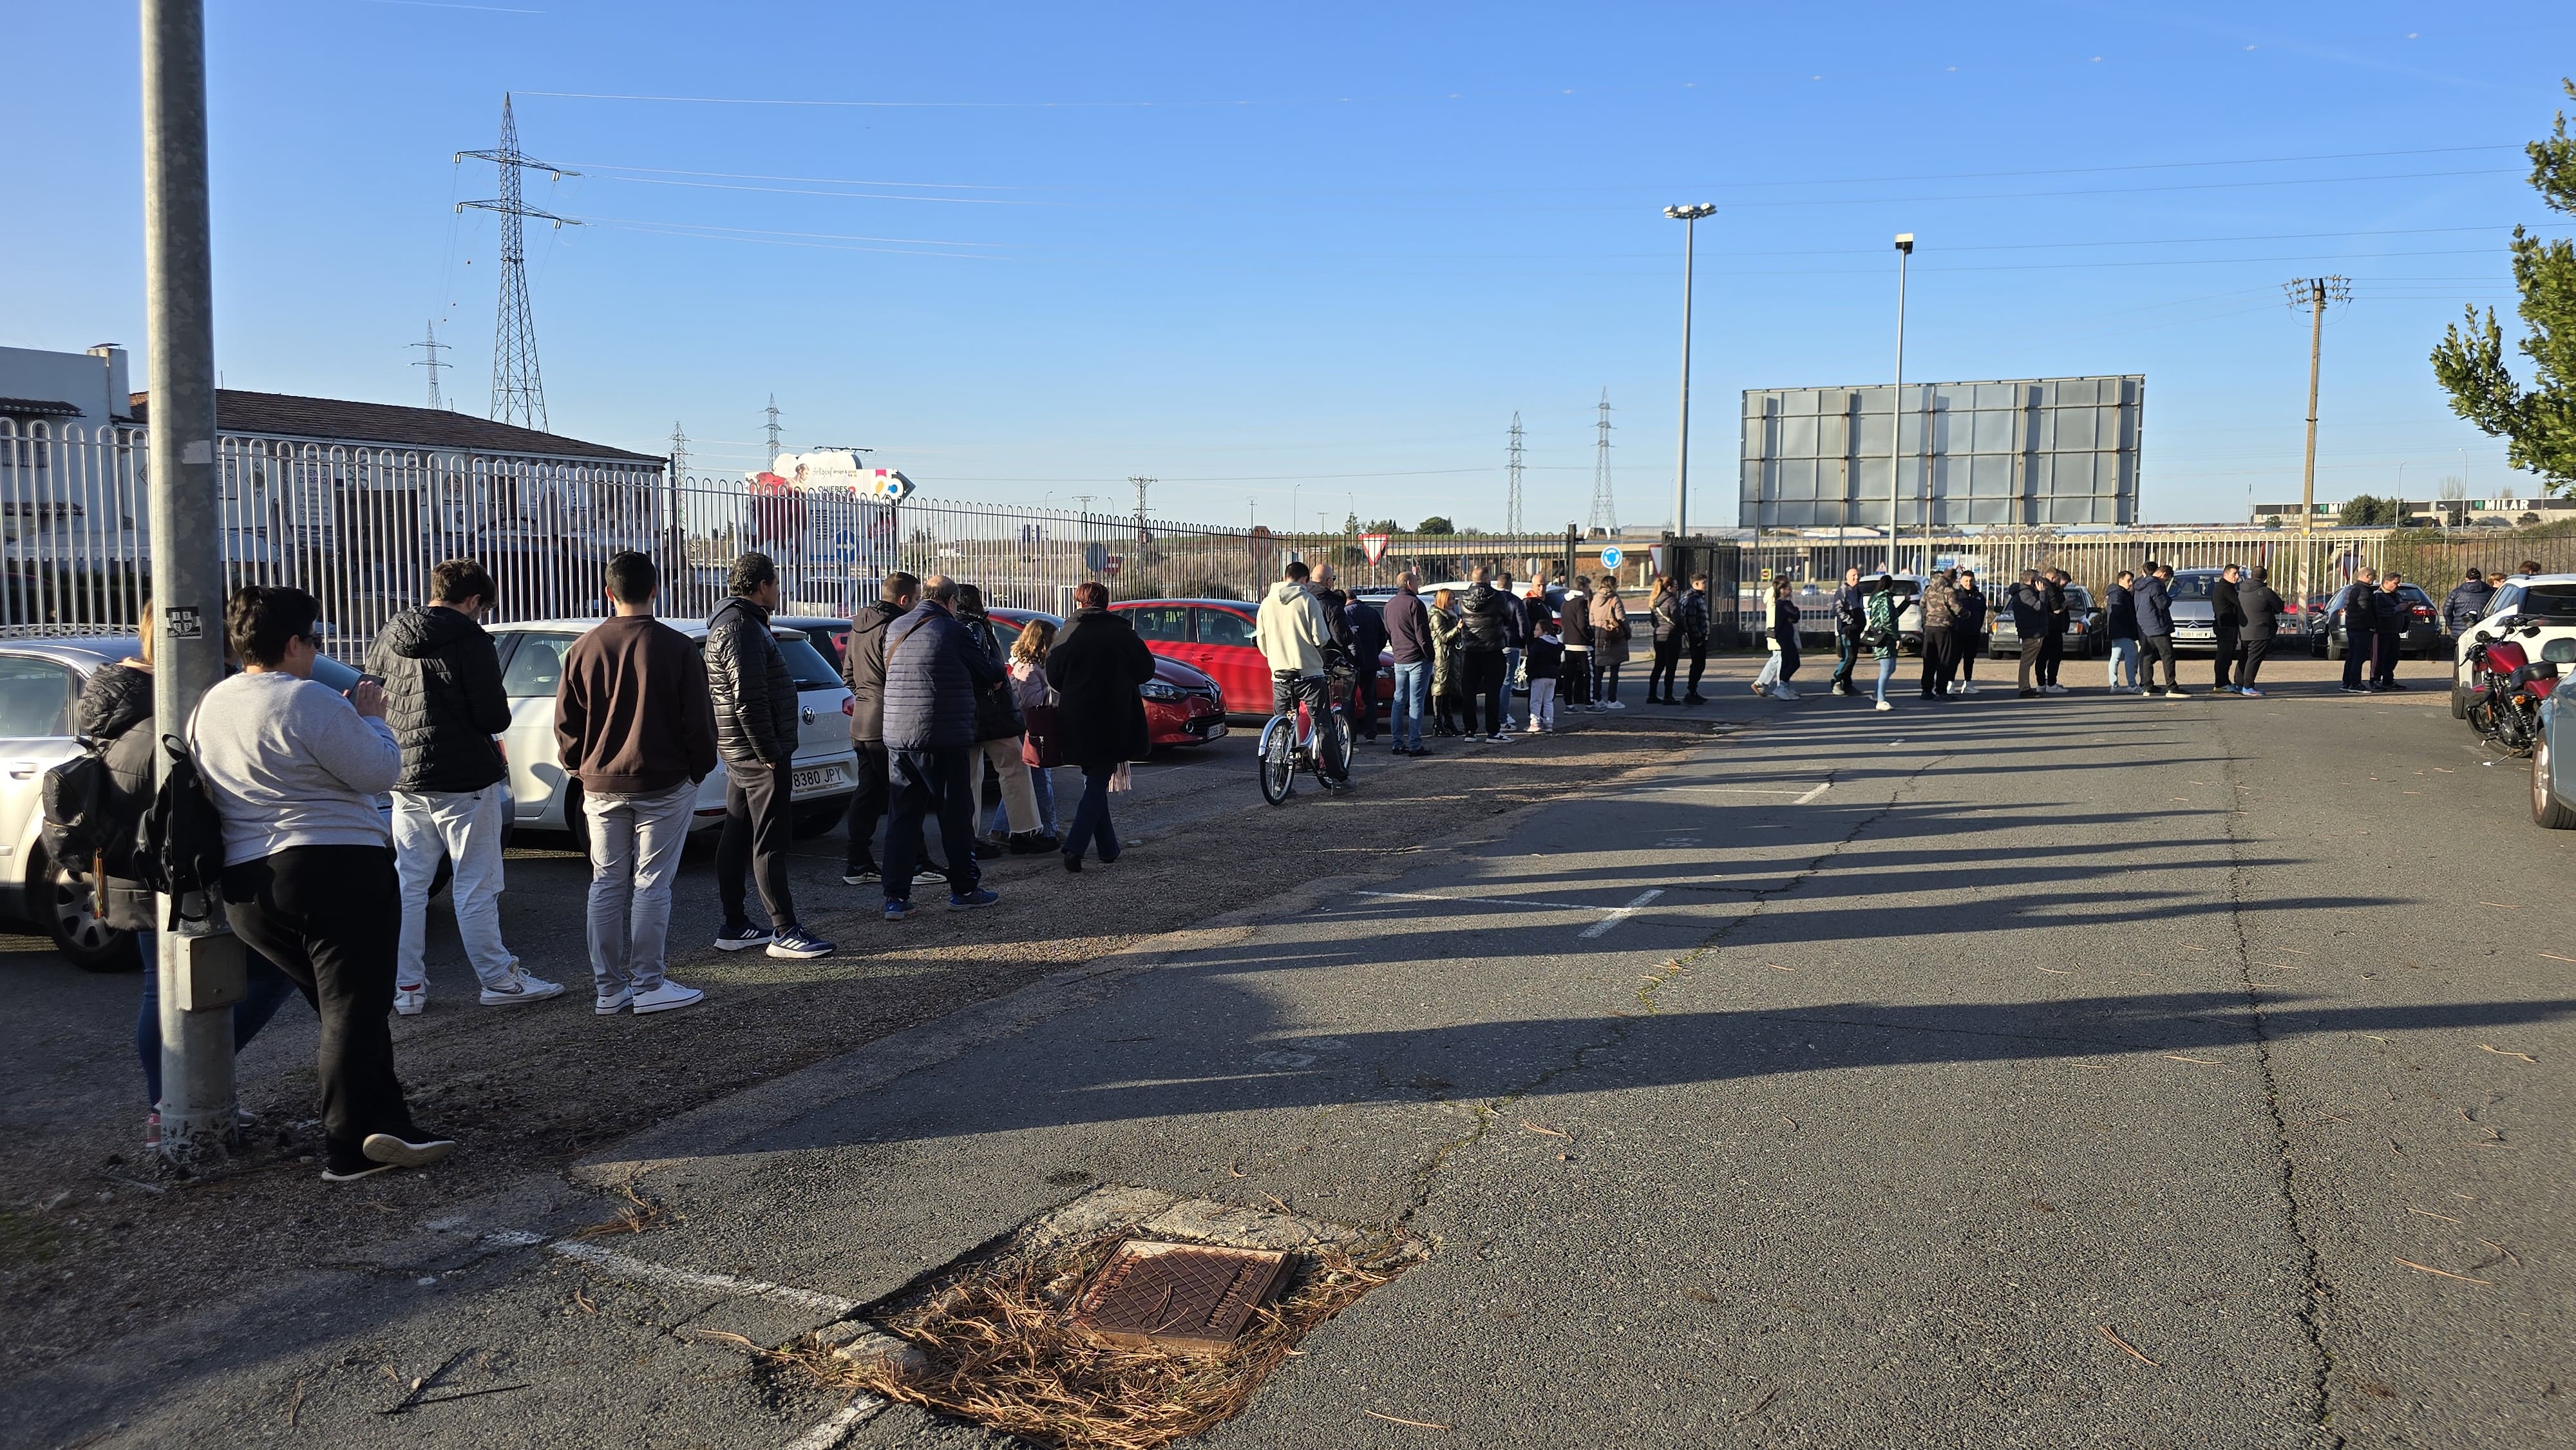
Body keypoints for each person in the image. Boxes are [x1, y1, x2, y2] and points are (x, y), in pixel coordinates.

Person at [194, 585, 451, 1183]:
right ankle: (351, 1147)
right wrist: (373, 721)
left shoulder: (212, 704)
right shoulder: (308, 700)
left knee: (345, 1011)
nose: (317, 650)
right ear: (292, 643)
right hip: (331, 869)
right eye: (314, 640)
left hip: (248, 885)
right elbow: (382, 772)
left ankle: (388, 1122)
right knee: (353, 1009)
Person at [84, 609, 298, 1149]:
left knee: (163, 990)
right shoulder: (170, 714)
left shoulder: (120, 701)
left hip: (133, 867)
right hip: (171, 870)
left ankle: (171, 1102)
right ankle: (181, 1093)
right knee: (270, 972)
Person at [365, 558, 555, 1016]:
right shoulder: (471, 641)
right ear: (472, 601)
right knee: (476, 882)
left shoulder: (389, 635)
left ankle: (407, 988)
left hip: (404, 775)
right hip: (465, 777)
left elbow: (372, 697)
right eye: (482, 606)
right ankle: (498, 979)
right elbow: (494, 717)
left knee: (410, 882)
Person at [558, 551, 721, 1012]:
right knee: (652, 884)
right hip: (665, 782)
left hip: (600, 783)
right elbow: (699, 722)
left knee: (606, 882)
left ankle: (609, 990)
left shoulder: (582, 648)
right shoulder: (677, 648)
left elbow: (566, 725)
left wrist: (579, 767)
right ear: (655, 590)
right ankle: (650, 985)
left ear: (608, 593)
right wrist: (698, 769)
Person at [705, 552, 832, 959]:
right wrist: (770, 753)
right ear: (762, 586)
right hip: (757, 753)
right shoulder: (742, 627)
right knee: (770, 839)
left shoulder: (735, 622)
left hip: (742, 750)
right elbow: (748, 698)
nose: (779, 590)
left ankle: (735, 924)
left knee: (739, 832)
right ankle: (785, 930)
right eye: (775, 583)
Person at [880, 574, 1005, 916]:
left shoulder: (895, 628)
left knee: (903, 818)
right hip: (942, 736)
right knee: (955, 815)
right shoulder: (954, 631)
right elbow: (992, 673)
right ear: (950, 602)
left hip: (897, 736)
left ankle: (896, 898)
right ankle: (964, 888)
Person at [1046, 582, 1155, 871]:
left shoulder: (1068, 632)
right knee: (1097, 779)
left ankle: (1108, 848)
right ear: (1106, 603)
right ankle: (1076, 847)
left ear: (1079, 602)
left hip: (1076, 715)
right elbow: (1147, 669)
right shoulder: (1121, 632)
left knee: (1095, 776)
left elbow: (1053, 675)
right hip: (1114, 714)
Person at [955, 584, 1051, 854]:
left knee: (970, 776)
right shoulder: (975, 627)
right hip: (990, 712)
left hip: (964, 712)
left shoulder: (949, 626)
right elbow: (989, 668)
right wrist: (996, 676)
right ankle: (1024, 831)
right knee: (1014, 768)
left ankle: (969, 837)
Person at [840, 572, 920, 885]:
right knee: (905, 793)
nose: (917, 606)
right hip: (889, 721)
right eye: (916, 600)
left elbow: (848, 675)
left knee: (869, 793)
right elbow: (903, 675)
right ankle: (917, 862)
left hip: (862, 722)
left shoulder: (860, 624)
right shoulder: (897, 627)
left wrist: (867, 697)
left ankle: (858, 863)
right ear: (904, 600)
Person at [1258, 560, 1353, 778]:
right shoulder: (1307, 601)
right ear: (1304, 579)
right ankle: (1337, 778)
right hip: (1309, 674)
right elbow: (1321, 638)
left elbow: (1262, 643)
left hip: (1279, 675)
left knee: (1281, 728)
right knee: (1323, 725)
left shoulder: (1267, 603)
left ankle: (1280, 781)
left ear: (1285, 577)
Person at [1005, 620, 1063, 839]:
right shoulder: (1028, 668)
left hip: (1032, 729)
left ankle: (1002, 830)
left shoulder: (1034, 665)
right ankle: (1049, 831)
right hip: (1031, 730)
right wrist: (1058, 691)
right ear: (1042, 642)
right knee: (1040, 781)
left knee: (1027, 781)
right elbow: (1033, 701)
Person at [1455, 566, 1512, 739]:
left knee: (1469, 693)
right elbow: (1508, 617)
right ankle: (1493, 731)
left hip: (1470, 650)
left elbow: (1462, 619)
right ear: (1488, 579)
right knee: (1493, 692)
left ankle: (1470, 731)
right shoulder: (1497, 597)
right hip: (1492, 648)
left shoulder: (1463, 598)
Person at [1382, 570, 1432, 757]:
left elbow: (1388, 631)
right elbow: (1422, 634)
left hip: (1399, 658)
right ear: (1410, 584)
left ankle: (1397, 743)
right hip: (1417, 658)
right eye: (1417, 581)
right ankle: (1415, 744)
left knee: (1399, 700)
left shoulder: (1390, 605)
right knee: (1416, 702)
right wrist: (1430, 655)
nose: (1419, 585)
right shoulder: (1415, 604)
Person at [1343, 586, 1388, 742]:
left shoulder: (1345, 614)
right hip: (1371, 662)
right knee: (1370, 700)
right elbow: (1383, 636)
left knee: (1348, 700)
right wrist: (1375, 652)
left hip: (1352, 664)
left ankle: (1351, 736)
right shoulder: (1372, 613)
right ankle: (1371, 733)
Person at [2235, 565, 2285, 697]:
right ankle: (2248, 686)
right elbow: (2280, 606)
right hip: (2261, 631)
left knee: (2244, 657)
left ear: (2251, 575)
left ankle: (2239, 683)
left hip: (2244, 630)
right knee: (2254, 659)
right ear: (2265, 577)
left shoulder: (2241, 591)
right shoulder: (2265, 591)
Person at [2134, 563, 2182, 697]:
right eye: (2166, 580)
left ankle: (2147, 685)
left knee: (2147, 656)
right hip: (2158, 625)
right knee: (2168, 655)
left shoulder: (2140, 585)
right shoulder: (2156, 586)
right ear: (2164, 575)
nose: (2165, 582)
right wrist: (2169, 598)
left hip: (2144, 625)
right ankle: (2172, 686)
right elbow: (2163, 604)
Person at [1428, 586, 1468, 735]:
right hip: (1442, 656)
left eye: (1453, 599)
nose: (1452, 602)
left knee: (1447, 690)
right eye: (1449, 599)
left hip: (1452, 655)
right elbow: (1443, 638)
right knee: (1440, 688)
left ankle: (1449, 723)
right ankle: (1438, 724)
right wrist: (1457, 629)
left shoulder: (1451, 614)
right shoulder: (1437, 615)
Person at [2335, 568, 2380, 693]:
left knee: (2352, 655)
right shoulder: (2364, 591)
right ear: (2367, 576)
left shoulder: (2352, 589)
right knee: (2359, 656)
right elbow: (2365, 611)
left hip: (2352, 626)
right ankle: (2355, 683)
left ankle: (2347, 682)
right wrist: (2373, 625)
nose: (2374, 580)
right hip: (2362, 628)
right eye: (2373, 577)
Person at [1590, 578, 1631, 708]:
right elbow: (1621, 618)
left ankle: (1597, 698)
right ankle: (1612, 700)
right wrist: (1627, 632)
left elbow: (1591, 619)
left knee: (1599, 670)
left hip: (1599, 637)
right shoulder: (1614, 599)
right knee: (1614, 670)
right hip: (1614, 639)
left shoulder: (1595, 599)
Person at [1917, 570, 1958, 701]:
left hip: (1930, 628)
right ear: (1952, 579)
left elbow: (1922, 604)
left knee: (1929, 660)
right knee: (1944, 660)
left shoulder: (1929, 589)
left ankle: (1926, 690)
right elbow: (1957, 608)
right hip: (1944, 628)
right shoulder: (1948, 591)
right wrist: (1966, 615)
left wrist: (1927, 619)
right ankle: (1941, 691)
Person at [2009, 570, 2049, 697]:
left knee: (2027, 661)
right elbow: (2040, 608)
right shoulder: (2026, 594)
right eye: (2039, 579)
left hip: (2032, 631)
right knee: (2027, 662)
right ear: (2033, 581)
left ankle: (2025, 687)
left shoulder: (2026, 593)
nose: (2041, 581)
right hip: (2032, 632)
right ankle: (2024, 688)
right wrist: (2042, 593)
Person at [1864, 573, 1901, 711]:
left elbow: (1893, 615)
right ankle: (1880, 700)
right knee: (1887, 668)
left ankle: (1876, 694)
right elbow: (1887, 621)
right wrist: (1897, 637)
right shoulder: (1885, 599)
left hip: (1886, 637)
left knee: (1891, 668)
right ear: (1890, 585)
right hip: (1884, 638)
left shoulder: (1880, 598)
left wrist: (1906, 602)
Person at [1647, 575, 1685, 703]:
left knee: (1658, 665)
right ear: (1669, 588)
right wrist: (1683, 630)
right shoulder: (1671, 600)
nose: (1677, 589)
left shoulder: (1654, 600)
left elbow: (1654, 621)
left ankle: (1652, 695)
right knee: (1671, 667)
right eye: (1676, 586)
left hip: (1659, 635)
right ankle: (1668, 696)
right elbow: (1677, 619)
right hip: (1671, 636)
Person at [1828, 567, 1865, 697]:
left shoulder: (1857, 591)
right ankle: (1836, 680)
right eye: (1854, 575)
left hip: (1856, 630)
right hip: (1847, 630)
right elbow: (1837, 609)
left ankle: (1848, 684)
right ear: (1847, 577)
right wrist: (1850, 621)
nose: (1857, 577)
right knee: (1848, 656)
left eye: (1858, 575)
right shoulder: (1842, 591)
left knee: (1853, 657)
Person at [1558, 574, 1593, 710]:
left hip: (1568, 642)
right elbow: (1582, 624)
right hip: (1582, 644)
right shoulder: (1581, 602)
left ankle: (1569, 704)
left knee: (1569, 675)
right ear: (1583, 587)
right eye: (1587, 587)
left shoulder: (1565, 602)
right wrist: (1590, 637)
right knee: (1588, 674)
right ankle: (1590, 703)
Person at [2104, 569, 2141, 694]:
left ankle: (2114, 685)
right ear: (2120, 581)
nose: (2130, 583)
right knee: (2132, 653)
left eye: (2131, 580)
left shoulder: (2120, 593)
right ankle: (2132, 684)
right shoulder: (2118, 594)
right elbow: (2118, 612)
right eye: (2128, 581)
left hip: (2117, 630)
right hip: (2121, 630)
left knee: (2115, 657)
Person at [2371, 572, 2409, 691]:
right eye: (2395, 583)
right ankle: (2375, 680)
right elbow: (2379, 612)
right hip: (2382, 631)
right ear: (2386, 582)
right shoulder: (2379, 596)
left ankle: (2388, 679)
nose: (2398, 586)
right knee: (2379, 656)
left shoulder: (2396, 595)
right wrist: (2396, 609)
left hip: (2394, 631)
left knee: (2393, 657)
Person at [1951, 570, 1987, 696]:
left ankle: (1968, 684)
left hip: (1973, 633)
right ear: (1960, 581)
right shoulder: (1956, 595)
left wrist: (1978, 626)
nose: (1969, 583)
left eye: (1971, 580)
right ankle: (1950, 683)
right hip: (1958, 633)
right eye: (1966, 581)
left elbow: (1983, 612)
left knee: (1970, 659)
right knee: (1954, 658)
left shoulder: (1979, 596)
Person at [2210, 563, 2245, 693]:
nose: (2237, 577)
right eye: (2234, 574)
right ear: (2225, 575)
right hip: (2225, 626)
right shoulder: (2226, 588)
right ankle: (2220, 682)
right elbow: (2239, 602)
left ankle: (2224, 681)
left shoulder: (2227, 587)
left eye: (2238, 574)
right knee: (2224, 656)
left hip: (2227, 625)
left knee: (2227, 656)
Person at [1526, 615, 1562, 733]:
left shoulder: (1538, 645)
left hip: (1539, 676)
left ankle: (1535, 723)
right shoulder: (1555, 644)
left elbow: (1531, 661)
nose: (1534, 631)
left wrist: (1529, 673)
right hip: (1552, 676)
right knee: (1548, 701)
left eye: (1537, 629)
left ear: (1544, 632)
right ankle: (1548, 723)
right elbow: (1558, 661)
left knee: (1536, 701)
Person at [2037, 570, 2071, 693]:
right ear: (2054, 578)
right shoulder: (2051, 589)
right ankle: (2050, 683)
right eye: (2064, 583)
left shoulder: (2047, 588)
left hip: (2048, 626)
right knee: (2054, 656)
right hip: (2052, 627)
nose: (2064, 585)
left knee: (2043, 656)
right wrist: (2065, 604)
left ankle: (2042, 683)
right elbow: (2056, 608)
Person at [1681, 573, 1713, 703]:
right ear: (1696, 584)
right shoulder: (1692, 599)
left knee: (1699, 664)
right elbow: (1692, 621)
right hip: (1696, 638)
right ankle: (1691, 692)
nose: (1706, 584)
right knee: (1698, 664)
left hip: (1698, 637)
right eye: (1703, 582)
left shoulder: (1697, 598)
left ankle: (1693, 691)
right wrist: (1699, 637)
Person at [2443, 566, 2495, 643]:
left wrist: (2453, 626)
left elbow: (2446, 611)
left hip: (2460, 631)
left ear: (2466, 579)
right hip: (2482, 630)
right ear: (2480, 579)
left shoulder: (2457, 592)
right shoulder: (2490, 591)